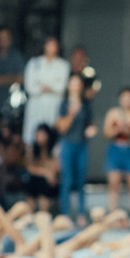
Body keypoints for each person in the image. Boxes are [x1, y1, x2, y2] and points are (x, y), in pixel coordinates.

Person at [103, 87, 130, 227]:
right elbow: (106, 132)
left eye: (129, 98)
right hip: (115, 149)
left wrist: (129, 132)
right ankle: (113, 215)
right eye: (124, 97)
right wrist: (118, 130)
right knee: (113, 183)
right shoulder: (113, 113)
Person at [55, 72, 96, 221]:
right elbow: (61, 128)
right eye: (73, 83)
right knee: (66, 179)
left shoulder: (85, 103)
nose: (75, 86)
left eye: (78, 83)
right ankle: (65, 214)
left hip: (82, 144)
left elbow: (90, 123)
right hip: (67, 144)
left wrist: (91, 129)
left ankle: (81, 213)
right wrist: (71, 115)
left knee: (81, 180)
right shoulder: (64, 104)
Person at [22, 35, 70, 145]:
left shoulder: (63, 65)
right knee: (32, 134)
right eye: (49, 45)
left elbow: (61, 87)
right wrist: (51, 86)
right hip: (36, 104)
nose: (51, 48)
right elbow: (30, 87)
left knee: (52, 134)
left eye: (54, 45)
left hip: (54, 104)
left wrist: (42, 84)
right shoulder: (34, 63)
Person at [25, 124, 61, 213]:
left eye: (42, 135)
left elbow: (56, 168)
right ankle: (29, 213)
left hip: (50, 181)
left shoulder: (53, 149)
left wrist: (49, 173)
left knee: (44, 184)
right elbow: (30, 168)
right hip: (37, 178)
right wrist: (45, 172)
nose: (39, 138)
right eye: (38, 135)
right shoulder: (32, 149)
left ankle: (43, 212)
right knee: (34, 182)